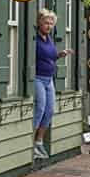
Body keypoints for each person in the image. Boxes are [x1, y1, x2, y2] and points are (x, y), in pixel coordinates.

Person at [33, 8, 72, 161]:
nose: (48, 26)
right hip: (38, 78)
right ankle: (30, 143)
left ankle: (39, 141)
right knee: (40, 108)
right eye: (46, 23)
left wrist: (60, 54)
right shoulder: (35, 39)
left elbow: (50, 56)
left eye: (51, 23)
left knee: (49, 111)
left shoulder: (49, 39)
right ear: (39, 23)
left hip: (49, 79)